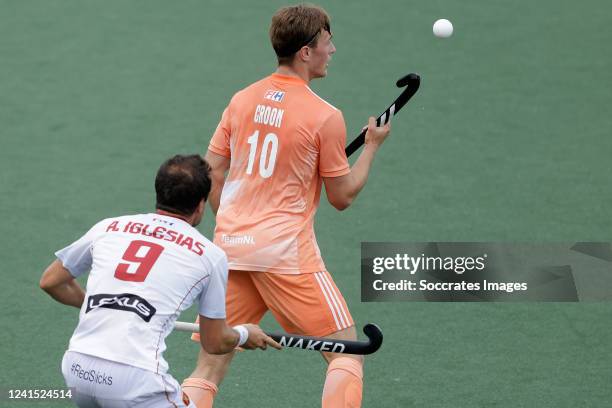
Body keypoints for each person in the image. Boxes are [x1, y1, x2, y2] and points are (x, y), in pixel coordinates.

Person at [182, 4, 392, 408]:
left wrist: (234, 218)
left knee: (209, 368)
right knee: (347, 354)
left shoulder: (242, 99)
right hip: (286, 258)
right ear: (306, 52)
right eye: (327, 43)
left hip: (232, 250)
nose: (333, 50)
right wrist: (370, 148)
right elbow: (342, 196)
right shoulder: (324, 116)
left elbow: (211, 169)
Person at [40, 154, 280, 408]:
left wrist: (109, 305)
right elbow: (215, 342)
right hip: (134, 381)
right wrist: (244, 334)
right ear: (200, 204)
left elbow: (51, 281)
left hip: (78, 369)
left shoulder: (108, 227)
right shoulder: (210, 256)